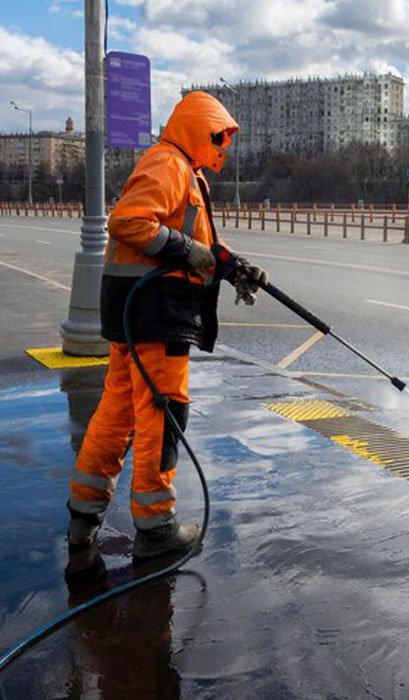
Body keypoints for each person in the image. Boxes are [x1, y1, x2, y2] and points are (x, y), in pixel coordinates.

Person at [67, 91, 266, 558]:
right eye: (219, 136)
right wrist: (188, 251)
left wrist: (233, 265)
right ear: (198, 129)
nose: (224, 146)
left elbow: (196, 242)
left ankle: (83, 516)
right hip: (155, 315)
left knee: (117, 414)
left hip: (136, 316)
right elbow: (129, 222)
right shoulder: (169, 164)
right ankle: (156, 528)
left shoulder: (186, 172)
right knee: (164, 414)